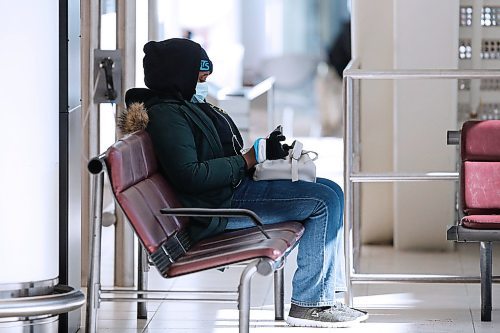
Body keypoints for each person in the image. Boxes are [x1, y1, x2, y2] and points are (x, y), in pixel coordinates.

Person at [118, 38, 368, 328]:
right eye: (200, 77)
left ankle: (327, 297)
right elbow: (191, 175)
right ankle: (311, 304)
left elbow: (215, 155)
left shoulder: (183, 106)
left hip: (228, 193)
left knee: (332, 190)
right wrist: (250, 159)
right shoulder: (167, 115)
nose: (204, 83)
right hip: (218, 208)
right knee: (323, 202)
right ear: (179, 74)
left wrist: (263, 154)